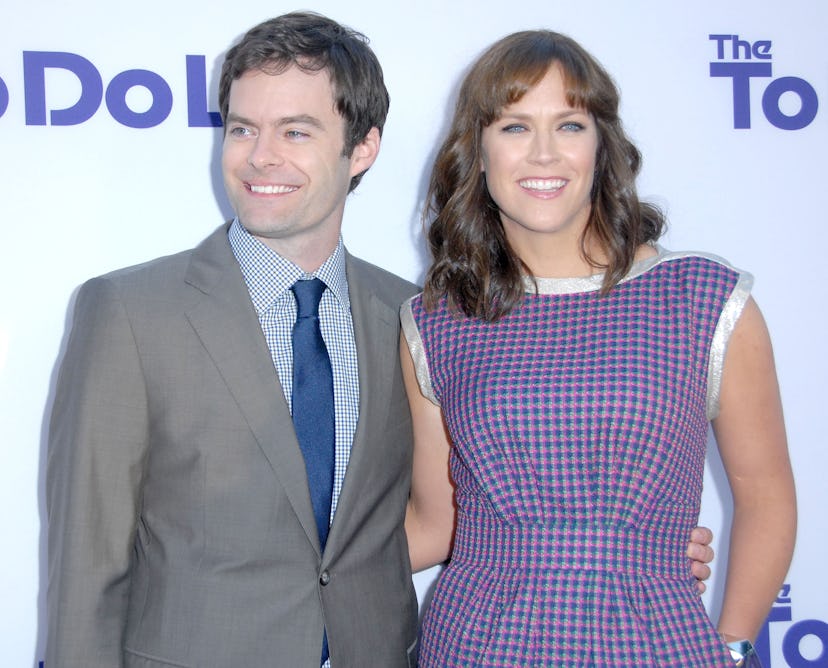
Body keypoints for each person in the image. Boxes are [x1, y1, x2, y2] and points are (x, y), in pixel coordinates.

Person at [401, 29, 796, 666]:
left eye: (570, 125)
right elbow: (435, 522)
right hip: (476, 641)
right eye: (513, 127)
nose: (544, 154)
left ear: (602, 145)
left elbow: (766, 495)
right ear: (476, 150)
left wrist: (733, 646)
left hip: (656, 640)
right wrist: (285, 569)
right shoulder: (437, 319)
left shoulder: (704, 300)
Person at [45, 12, 421, 668]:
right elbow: (86, 568)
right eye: (243, 128)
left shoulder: (409, 314)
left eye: (295, 131)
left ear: (362, 147)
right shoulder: (130, 314)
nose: (260, 156)